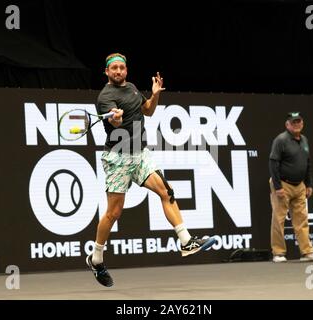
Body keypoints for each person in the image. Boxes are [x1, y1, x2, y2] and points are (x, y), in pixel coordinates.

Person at [86, 53, 216, 287]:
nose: (118, 71)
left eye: (121, 68)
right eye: (113, 68)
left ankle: (186, 241)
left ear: (126, 70)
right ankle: (96, 258)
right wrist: (115, 118)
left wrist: (155, 95)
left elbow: (147, 110)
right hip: (118, 158)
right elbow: (114, 124)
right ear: (106, 72)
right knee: (113, 213)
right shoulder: (105, 96)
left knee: (167, 192)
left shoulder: (133, 88)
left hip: (140, 154)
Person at [269, 111, 313, 263]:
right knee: (278, 219)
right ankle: (278, 253)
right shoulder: (281, 140)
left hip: (299, 185)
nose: (297, 124)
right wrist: (278, 186)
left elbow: (307, 163)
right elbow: (273, 163)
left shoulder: (304, 140)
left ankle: (307, 252)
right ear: (287, 125)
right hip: (283, 185)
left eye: (299, 121)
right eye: (293, 122)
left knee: (302, 220)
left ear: (302, 123)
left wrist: (309, 183)